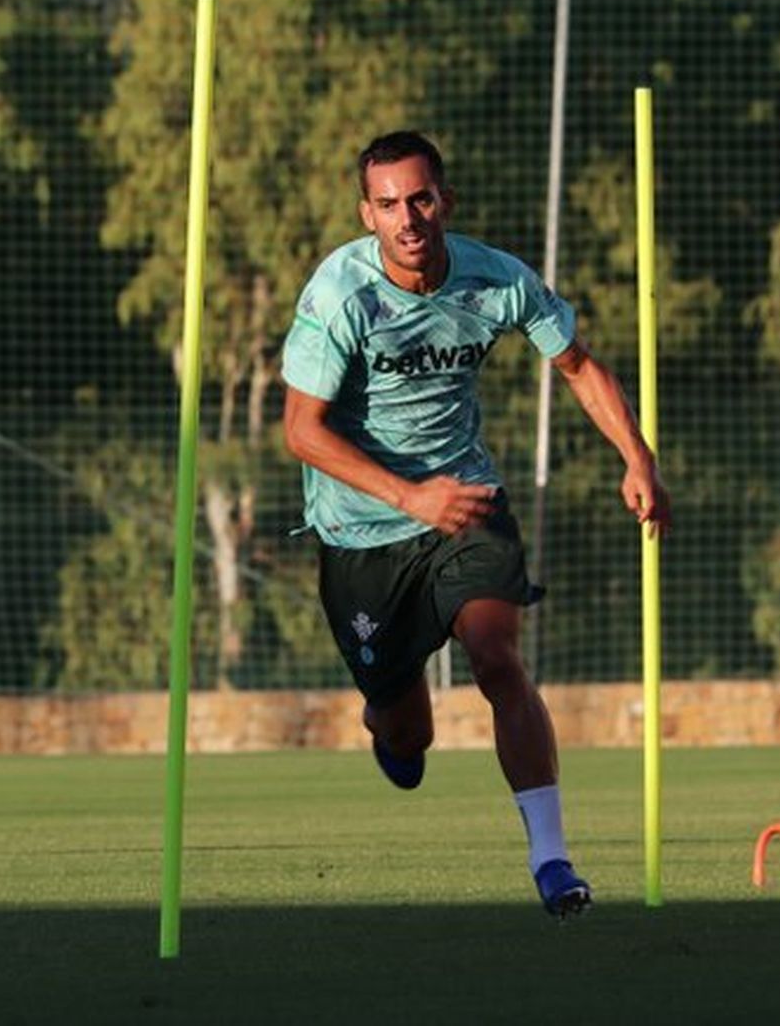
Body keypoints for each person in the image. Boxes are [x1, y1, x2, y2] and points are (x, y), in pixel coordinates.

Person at [280, 131, 670, 918]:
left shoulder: (497, 279)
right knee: (408, 734)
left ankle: (553, 859)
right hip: (361, 534)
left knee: (497, 655)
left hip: (465, 501)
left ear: (445, 202)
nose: (407, 218)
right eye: (389, 204)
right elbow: (302, 431)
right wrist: (408, 496)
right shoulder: (340, 295)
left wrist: (637, 456)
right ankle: (388, 720)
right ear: (367, 214)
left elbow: (578, 365)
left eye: (420, 198)